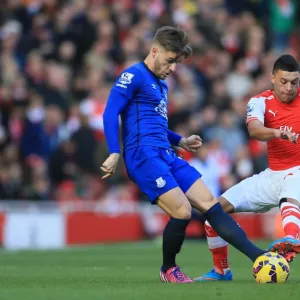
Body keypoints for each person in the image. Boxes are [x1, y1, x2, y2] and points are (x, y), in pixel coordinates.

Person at [101, 25, 266, 284]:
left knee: (211, 202)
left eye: (176, 62)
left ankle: (259, 257)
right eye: (170, 61)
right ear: (154, 51)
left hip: (165, 153)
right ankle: (168, 269)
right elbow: (110, 112)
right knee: (182, 210)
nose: (173, 68)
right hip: (142, 156)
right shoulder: (133, 75)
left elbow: (155, 126)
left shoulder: (160, 85)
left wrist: (181, 141)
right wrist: (114, 152)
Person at [195, 54, 300, 282]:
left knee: (295, 177)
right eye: (284, 81)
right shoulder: (259, 101)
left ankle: (291, 237)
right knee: (214, 212)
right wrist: (277, 132)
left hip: (297, 172)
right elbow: (254, 130)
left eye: (294, 82)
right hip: (272, 176)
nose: (289, 87)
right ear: (272, 78)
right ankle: (221, 271)